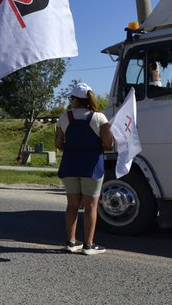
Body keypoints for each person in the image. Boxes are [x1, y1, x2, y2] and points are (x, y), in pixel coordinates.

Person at [54, 82, 113, 255]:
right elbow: (108, 144)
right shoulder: (99, 118)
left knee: (72, 205)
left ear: (75, 99)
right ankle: (88, 244)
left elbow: (58, 143)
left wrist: (73, 150)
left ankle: (71, 242)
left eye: (71, 98)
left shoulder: (64, 118)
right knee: (91, 206)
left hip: (70, 165)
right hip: (92, 167)